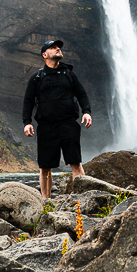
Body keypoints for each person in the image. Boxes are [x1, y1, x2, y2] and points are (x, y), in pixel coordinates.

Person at [22, 39, 93, 199]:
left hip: (68, 124)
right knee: (45, 168)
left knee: (76, 163)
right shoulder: (37, 78)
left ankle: (81, 200)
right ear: (44, 55)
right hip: (46, 126)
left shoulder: (69, 74)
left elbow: (81, 94)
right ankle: (46, 201)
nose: (58, 49)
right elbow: (28, 101)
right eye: (53, 48)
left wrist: (86, 112)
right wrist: (27, 122)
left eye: (58, 47)